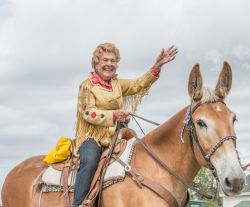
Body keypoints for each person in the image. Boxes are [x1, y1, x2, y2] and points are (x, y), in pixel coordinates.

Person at [72, 43, 178, 206]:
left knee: (139, 154)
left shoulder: (117, 84)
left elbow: (138, 84)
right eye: (105, 60)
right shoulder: (86, 86)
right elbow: (87, 113)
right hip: (93, 136)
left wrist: (157, 66)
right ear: (96, 63)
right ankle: (79, 203)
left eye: (113, 61)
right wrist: (114, 114)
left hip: (117, 133)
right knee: (90, 160)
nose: (109, 64)